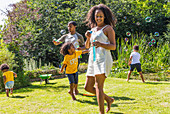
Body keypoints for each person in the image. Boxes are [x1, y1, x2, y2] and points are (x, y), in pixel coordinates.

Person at [84, 4, 116, 114]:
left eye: (101, 16)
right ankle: (108, 99)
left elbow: (113, 46)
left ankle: (101, 112)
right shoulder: (92, 29)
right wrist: (88, 38)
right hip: (93, 59)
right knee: (88, 87)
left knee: (98, 86)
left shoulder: (108, 28)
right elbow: (87, 46)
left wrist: (101, 44)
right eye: (97, 16)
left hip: (103, 59)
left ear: (105, 17)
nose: (98, 18)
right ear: (94, 17)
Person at [53, 21, 85, 94]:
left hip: (76, 57)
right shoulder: (65, 36)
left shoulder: (79, 36)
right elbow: (58, 42)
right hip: (67, 58)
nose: (69, 28)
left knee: (75, 73)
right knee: (69, 73)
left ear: (75, 27)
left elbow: (84, 46)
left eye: (70, 26)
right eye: (68, 26)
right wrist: (55, 42)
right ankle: (72, 88)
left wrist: (81, 48)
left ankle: (75, 89)